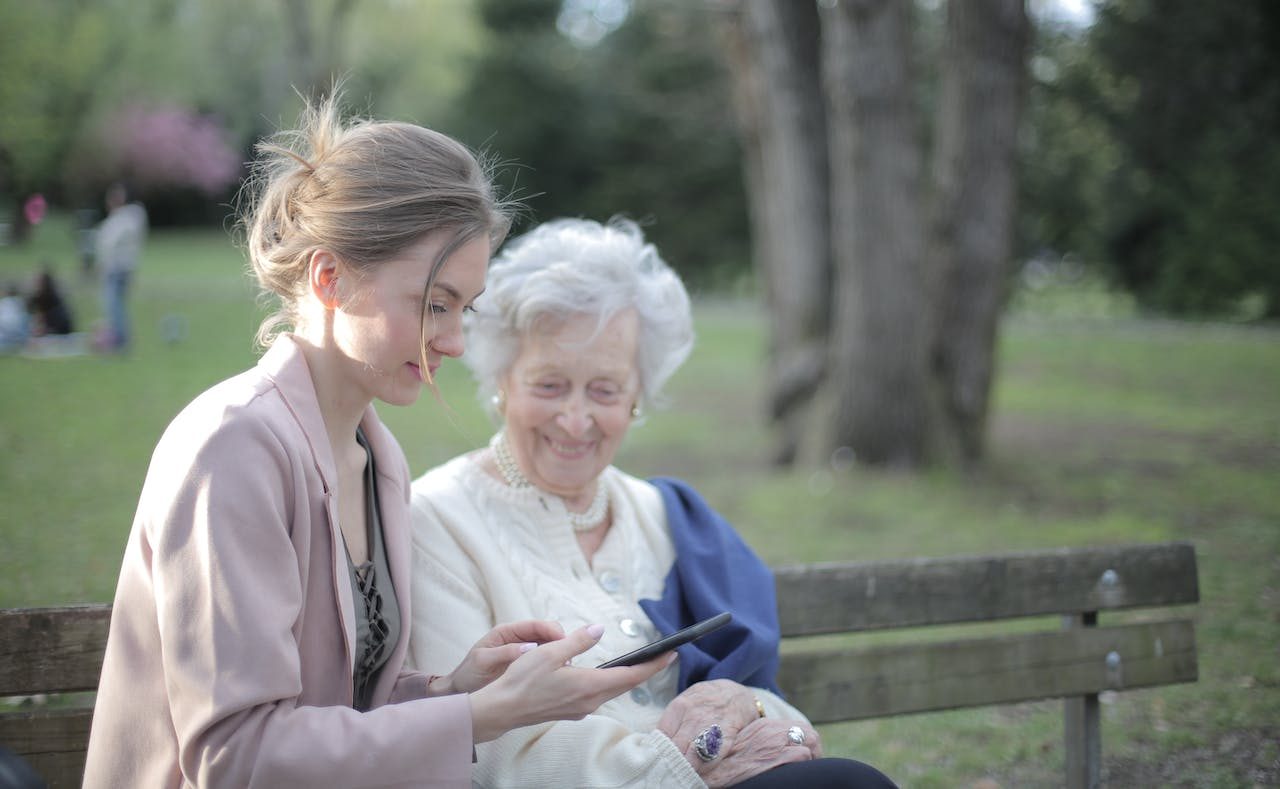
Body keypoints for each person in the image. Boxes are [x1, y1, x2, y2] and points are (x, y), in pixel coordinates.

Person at [83, 98, 670, 789]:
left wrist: (454, 687)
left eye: (464, 309)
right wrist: (477, 716)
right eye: (432, 304)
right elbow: (236, 755)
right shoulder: (233, 447)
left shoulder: (375, 456)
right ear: (330, 278)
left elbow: (338, 708)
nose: (453, 341)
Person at [408, 218, 896, 788]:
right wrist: (682, 764)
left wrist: (745, 708)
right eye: (548, 385)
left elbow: (776, 712)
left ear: (637, 397)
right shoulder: (436, 521)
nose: (575, 419)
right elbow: (489, 753)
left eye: (605, 390)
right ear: (502, 381)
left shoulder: (668, 516)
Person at [93, 181, 147, 350]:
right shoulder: (127, 219)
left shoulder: (125, 219)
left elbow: (108, 244)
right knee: (116, 305)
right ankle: (118, 338)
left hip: (117, 268)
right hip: (123, 268)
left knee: (114, 306)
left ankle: (120, 340)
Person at [25, 265, 74, 336]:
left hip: (58, 331)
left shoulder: (53, 298)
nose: (35, 285)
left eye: (38, 282)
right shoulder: (38, 296)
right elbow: (29, 307)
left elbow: (58, 321)